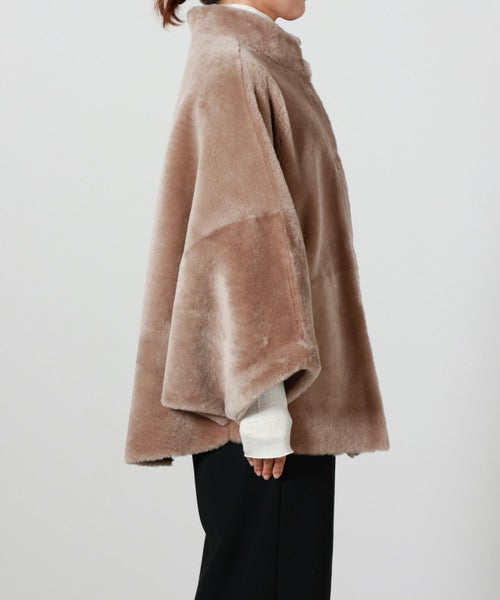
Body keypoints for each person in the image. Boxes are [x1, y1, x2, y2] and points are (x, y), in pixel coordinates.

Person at [124, 1, 390, 598]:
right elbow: (241, 237)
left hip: (281, 398)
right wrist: (264, 400)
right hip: (263, 408)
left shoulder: (251, 60)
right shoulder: (234, 62)